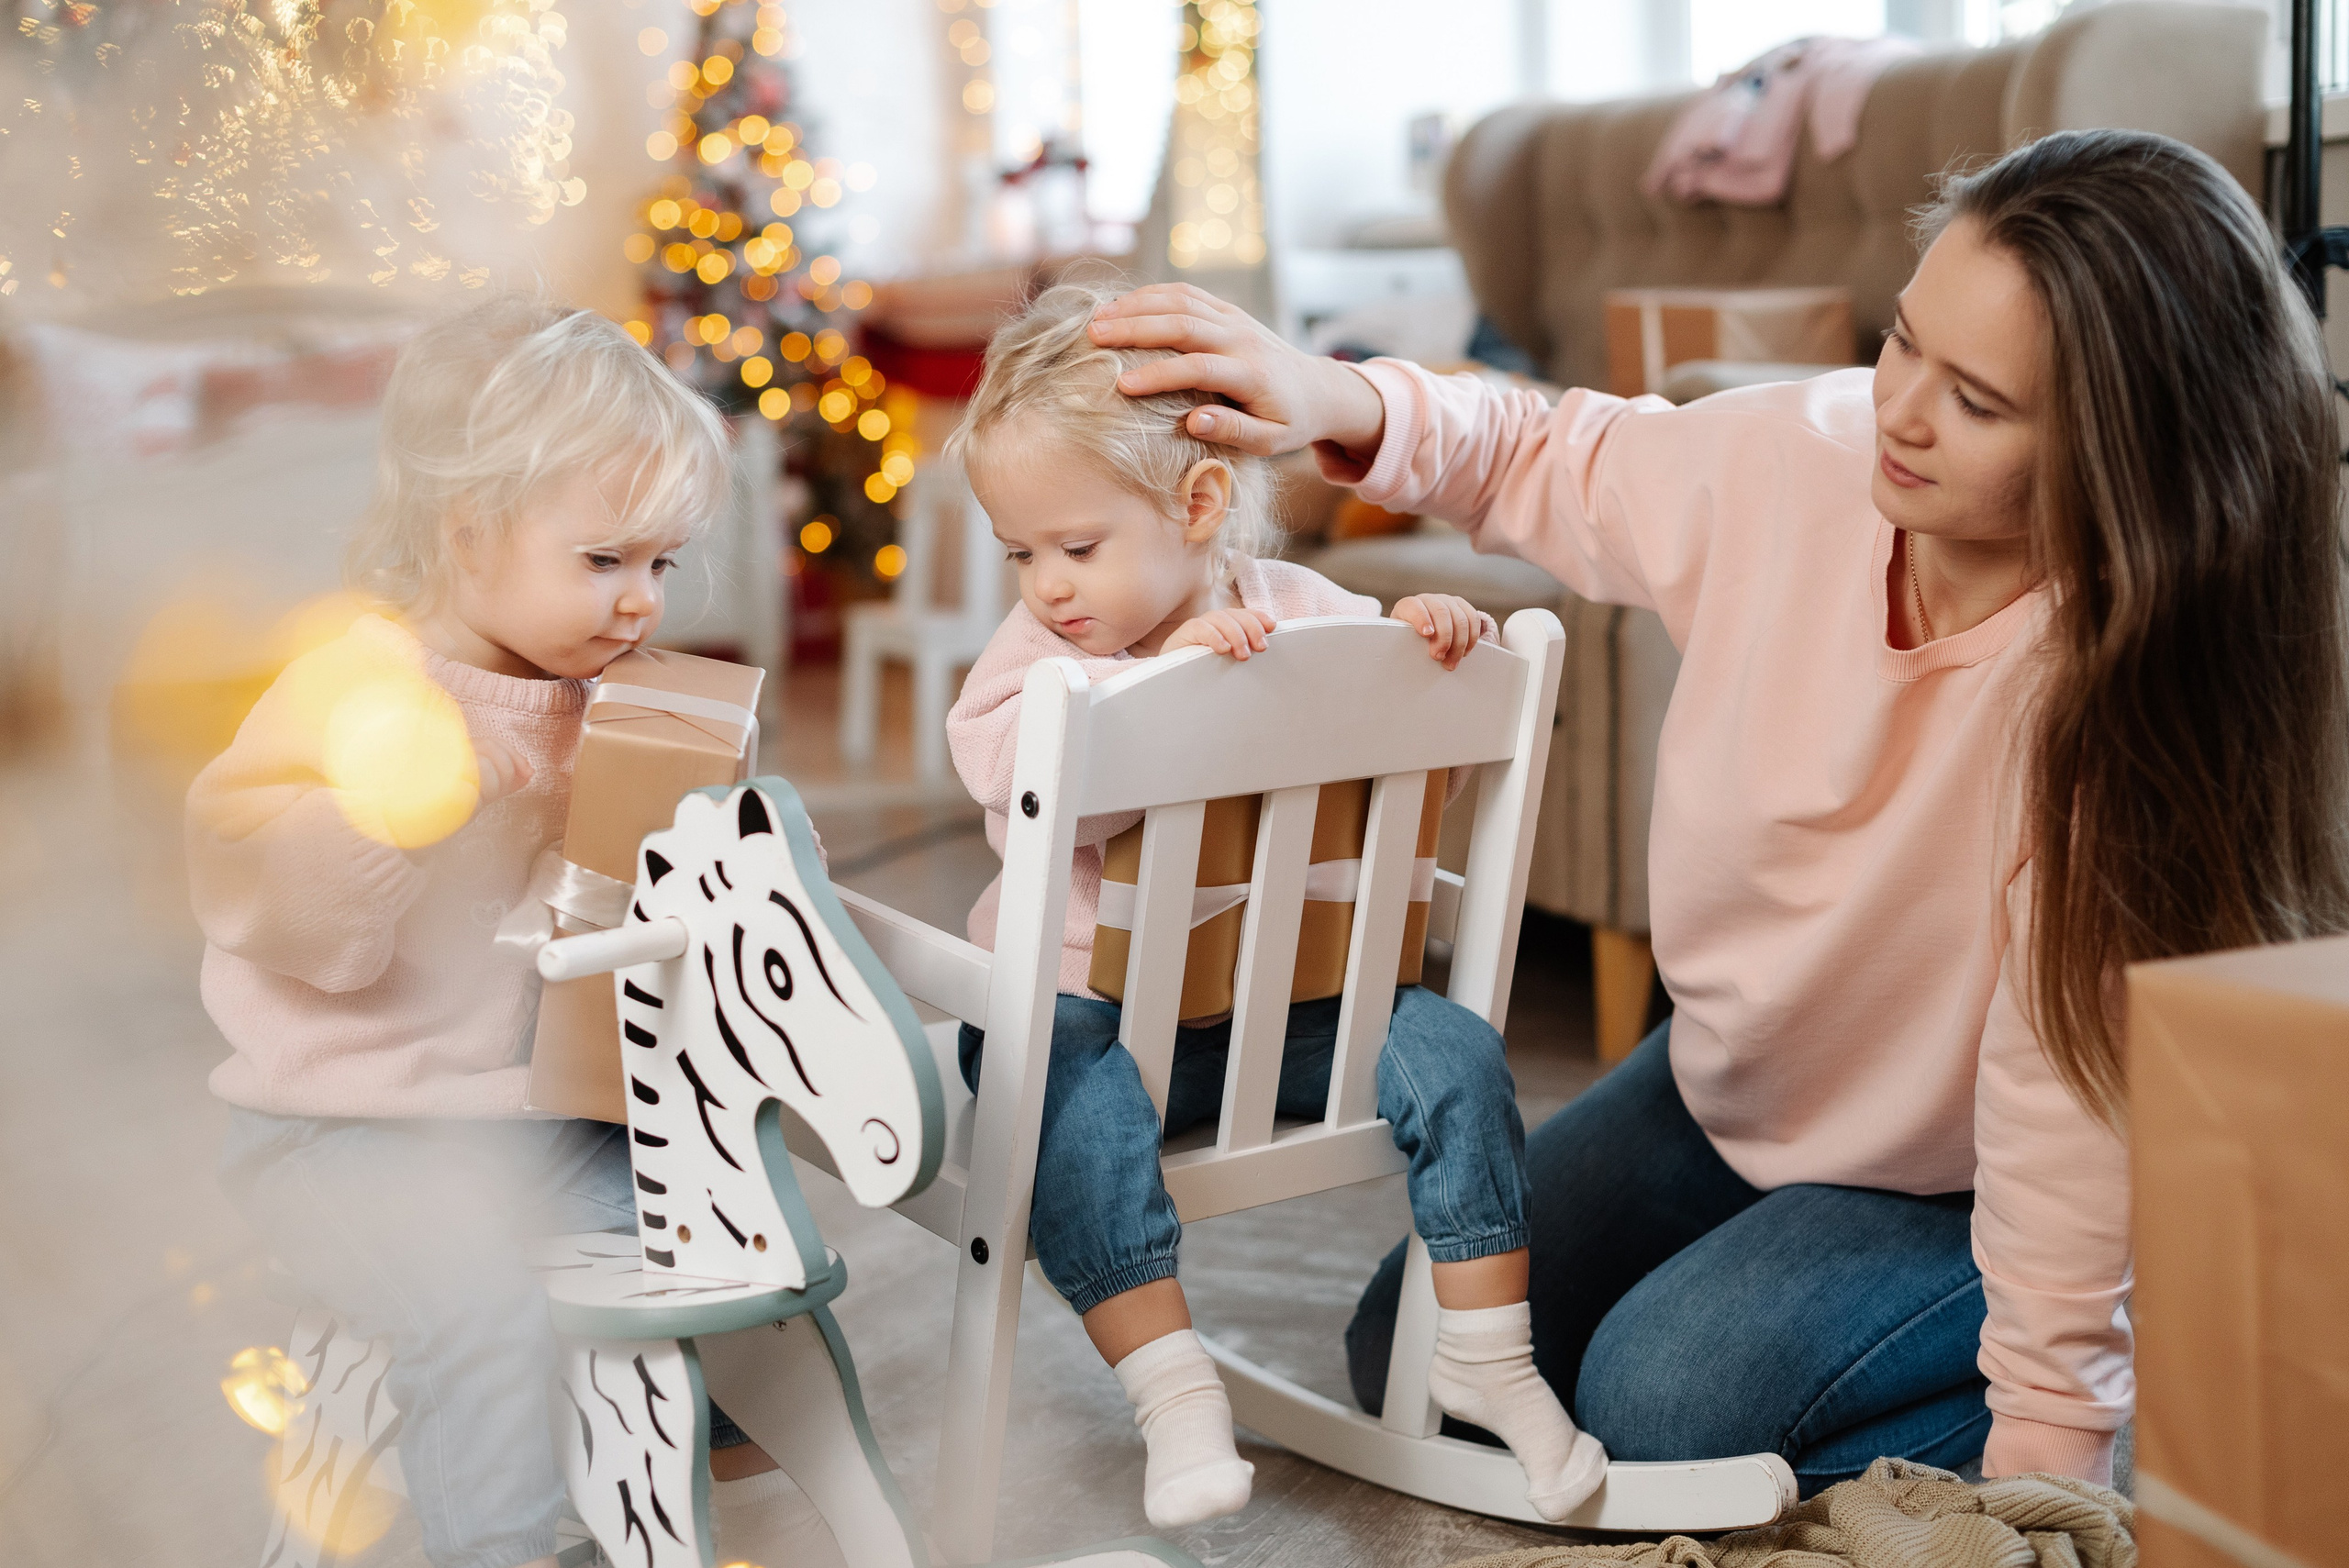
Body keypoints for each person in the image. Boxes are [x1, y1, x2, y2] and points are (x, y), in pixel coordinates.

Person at [1086, 129, 2349, 1492]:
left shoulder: (2109, 693)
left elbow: (2063, 1101)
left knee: (1664, 1403)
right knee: (1419, 1344)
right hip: (1733, 1086)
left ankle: (2151, 1342)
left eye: (1978, 401)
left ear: (2122, 452)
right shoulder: (1801, 459)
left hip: (1964, 1179)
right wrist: (1329, 393)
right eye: (1903, 339)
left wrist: (2051, 1439)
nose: (1903, 411)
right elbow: (1544, 455)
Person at [942, 280, 1609, 1527]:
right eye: (1020, 553)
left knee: (1453, 1052)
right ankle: (1170, 1384)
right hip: (1096, 1018)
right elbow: (1001, 773)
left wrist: (1423, 639)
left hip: (1295, 1009)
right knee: (1050, 1094)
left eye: (1076, 547)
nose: (1046, 585)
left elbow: (1412, 749)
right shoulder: (1041, 663)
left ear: (1199, 505)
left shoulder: (1302, 612)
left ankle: (1487, 1349)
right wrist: (1140, 693)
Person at [192, 296, 770, 1568]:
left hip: (524, 1115)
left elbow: (687, 898)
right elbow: (274, 908)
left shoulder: (610, 703)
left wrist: (734, 835)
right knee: (483, 1302)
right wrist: (399, 812)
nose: (639, 603)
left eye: (662, 566)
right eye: (604, 560)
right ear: (469, 534)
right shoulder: (361, 687)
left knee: (709, 1190)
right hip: (338, 1132)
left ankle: (661, 1449)